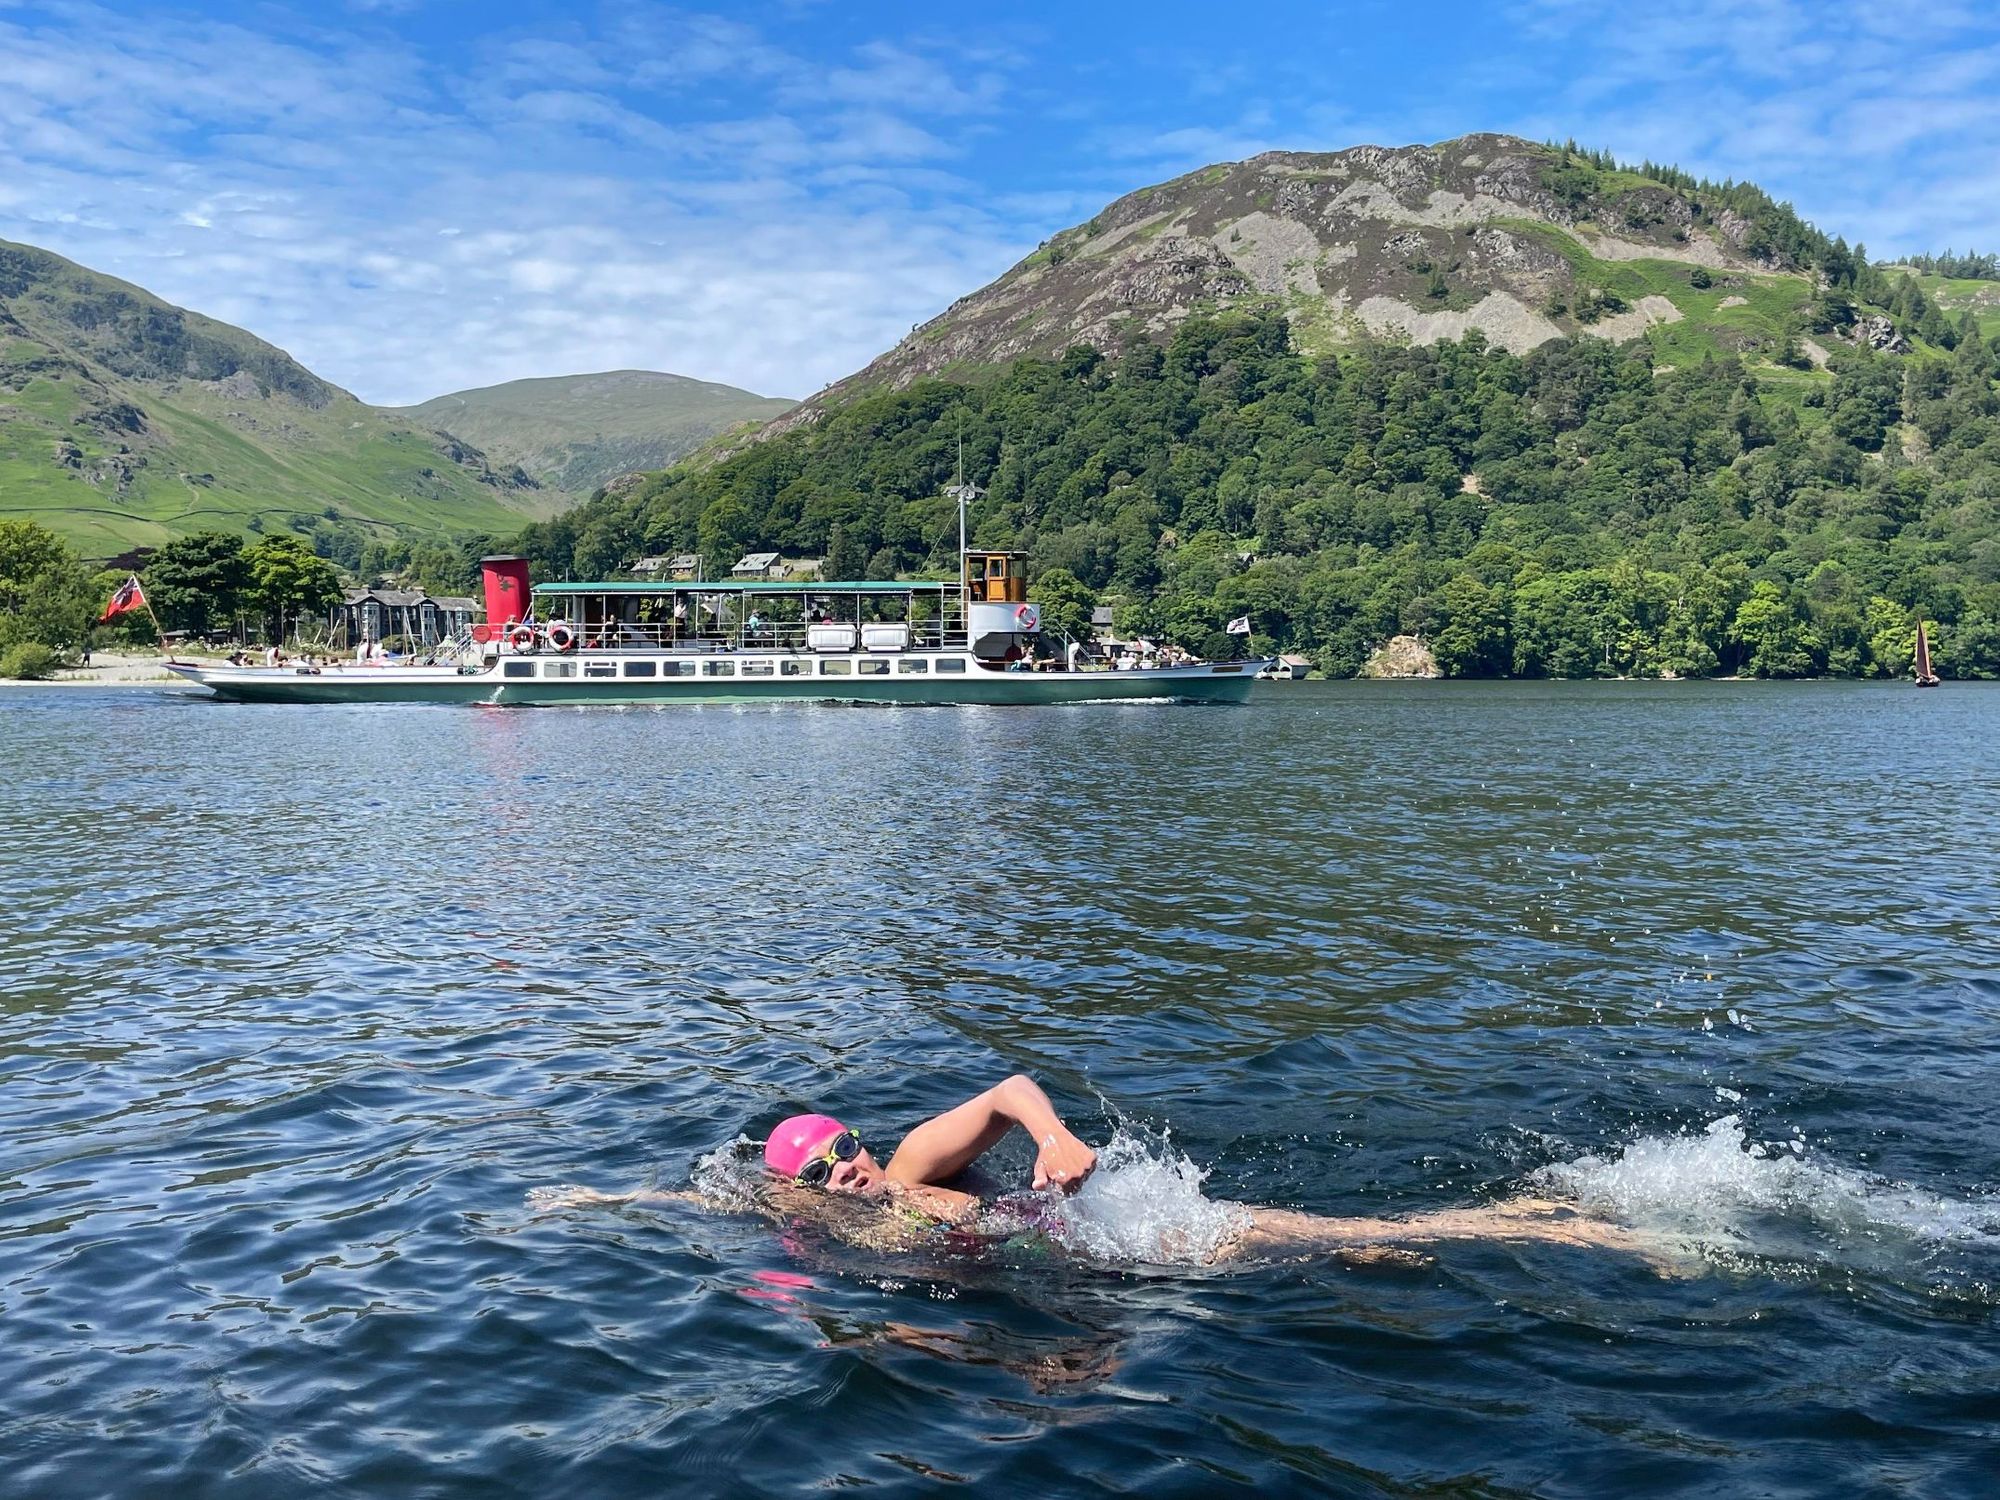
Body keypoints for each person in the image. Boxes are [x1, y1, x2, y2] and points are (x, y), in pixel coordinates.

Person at [530, 1074, 1667, 1268]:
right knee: (1347, 1252)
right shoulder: (815, 1227)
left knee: (1334, 1241)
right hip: (1096, 1268)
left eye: (845, 1151)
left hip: (1132, 1232)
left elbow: (1006, 1090)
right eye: (821, 1172)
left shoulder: (915, 1164)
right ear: (796, 1191)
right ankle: (1550, 1214)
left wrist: (1055, 1138)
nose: (845, 1174)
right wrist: (592, 1198)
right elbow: (691, 1202)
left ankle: (1578, 1226)